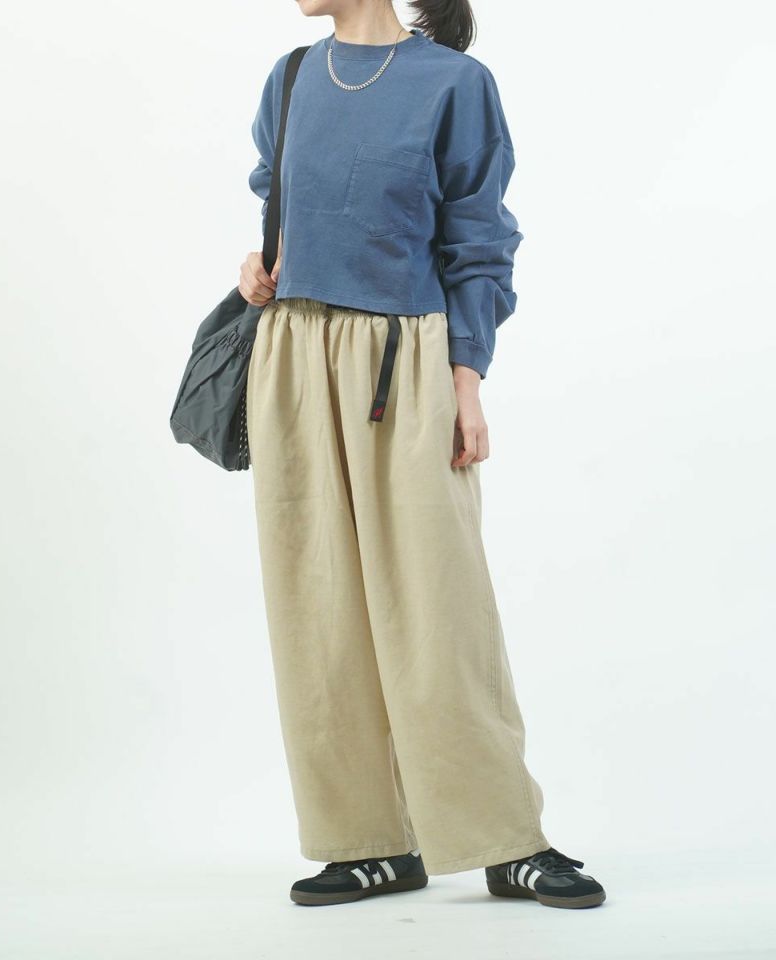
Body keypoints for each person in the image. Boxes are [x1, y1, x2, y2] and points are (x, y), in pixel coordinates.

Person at [238, 0, 606, 909]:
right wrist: (257, 266)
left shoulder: (455, 85)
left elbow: (480, 240)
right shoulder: (290, 77)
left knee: (438, 607)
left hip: (403, 362)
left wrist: (466, 380)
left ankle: (506, 840)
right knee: (315, 606)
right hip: (291, 354)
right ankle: (367, 843)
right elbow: (283, 206)